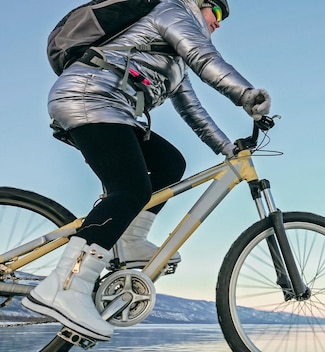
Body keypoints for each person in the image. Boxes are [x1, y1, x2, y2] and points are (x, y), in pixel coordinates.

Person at [22, 0, 271, 342]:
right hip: (90, 98)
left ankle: (130, 239)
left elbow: (193, 111)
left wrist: (229, 148)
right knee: (130, 189)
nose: (219, 22)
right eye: (217, 11)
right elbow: (205, 58)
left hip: (110, 107)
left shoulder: (174, 60)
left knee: (170, 163)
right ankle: (65, 286)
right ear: (199, 3)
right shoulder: (173, 11)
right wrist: (245, 94)